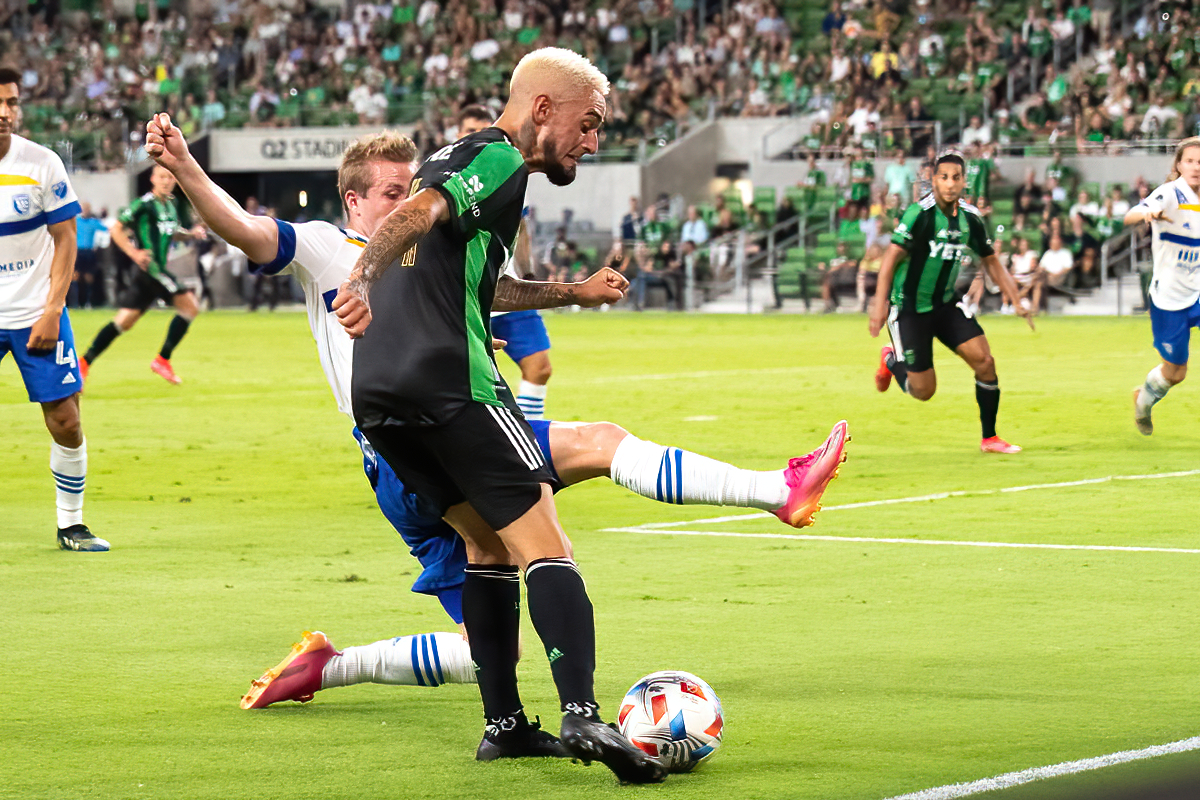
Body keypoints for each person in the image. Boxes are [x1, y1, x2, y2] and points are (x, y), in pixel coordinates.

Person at [143, 97, 848, 781]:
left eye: (410, 188)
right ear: (354, 202)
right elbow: (244, 229)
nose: (405, 202)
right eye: (389, 194)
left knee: (492, 636)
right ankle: (774, 491)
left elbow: (492, 289)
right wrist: (187, 167)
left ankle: (337, 669)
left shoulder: (429, 253)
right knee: (597, 448)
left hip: (412, 446)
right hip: (418, 435)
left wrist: (570, 293)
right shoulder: (332, 248)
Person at [0, 67, 107, 552]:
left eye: (12, 102)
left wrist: (52, 309)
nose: (5, 112)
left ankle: (72, 525)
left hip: (36, 312)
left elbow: (65, 240)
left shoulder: (41, 163)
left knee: (66, 419)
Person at [868, 150, 1032, 454]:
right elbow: (890, 260)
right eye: (944, 177)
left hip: (944, 304)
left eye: (956, 177)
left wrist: (1017, 300)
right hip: (910, 308)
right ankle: (891, 359)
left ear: (964, 181)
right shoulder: (919, 215)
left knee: (985, 362)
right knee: (923, 390)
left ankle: (990, 438)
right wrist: (879, 306)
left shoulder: (971, 218)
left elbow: (991, 261)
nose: (950, 183)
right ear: (934, 180)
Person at [458, 105, 553, 419]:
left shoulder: (511, 172)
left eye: (482, 130)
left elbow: (521, 228)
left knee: (539, 367)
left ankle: (530, 433)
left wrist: (528, 273)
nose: (477, 137)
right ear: (457, 134)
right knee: (472, 384)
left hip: (507, 289)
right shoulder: (447, 177)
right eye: (470, 131)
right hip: (466, 294)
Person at [79, 164, 206, 385]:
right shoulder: (144, 204)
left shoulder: (170, 205)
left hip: (151, 273)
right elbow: (116, 228)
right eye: (161, 177)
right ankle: (162, 359)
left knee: (124, 321)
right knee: (190, 306)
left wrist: (191, 234)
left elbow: (171, 232)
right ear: (153, 179)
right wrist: (133, 253)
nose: (166, 181)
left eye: (170, 177)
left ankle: (84, 362)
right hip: (152, 269)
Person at [1128, 137, 1200, 435]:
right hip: (1169, 298)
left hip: (1198, 290)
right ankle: (1142, 402)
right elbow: (1130, 214)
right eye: (1190, 161)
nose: (1196, 167)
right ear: (1179, 165)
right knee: (1176, 372)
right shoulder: (1170, 193)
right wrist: (1149, 213)